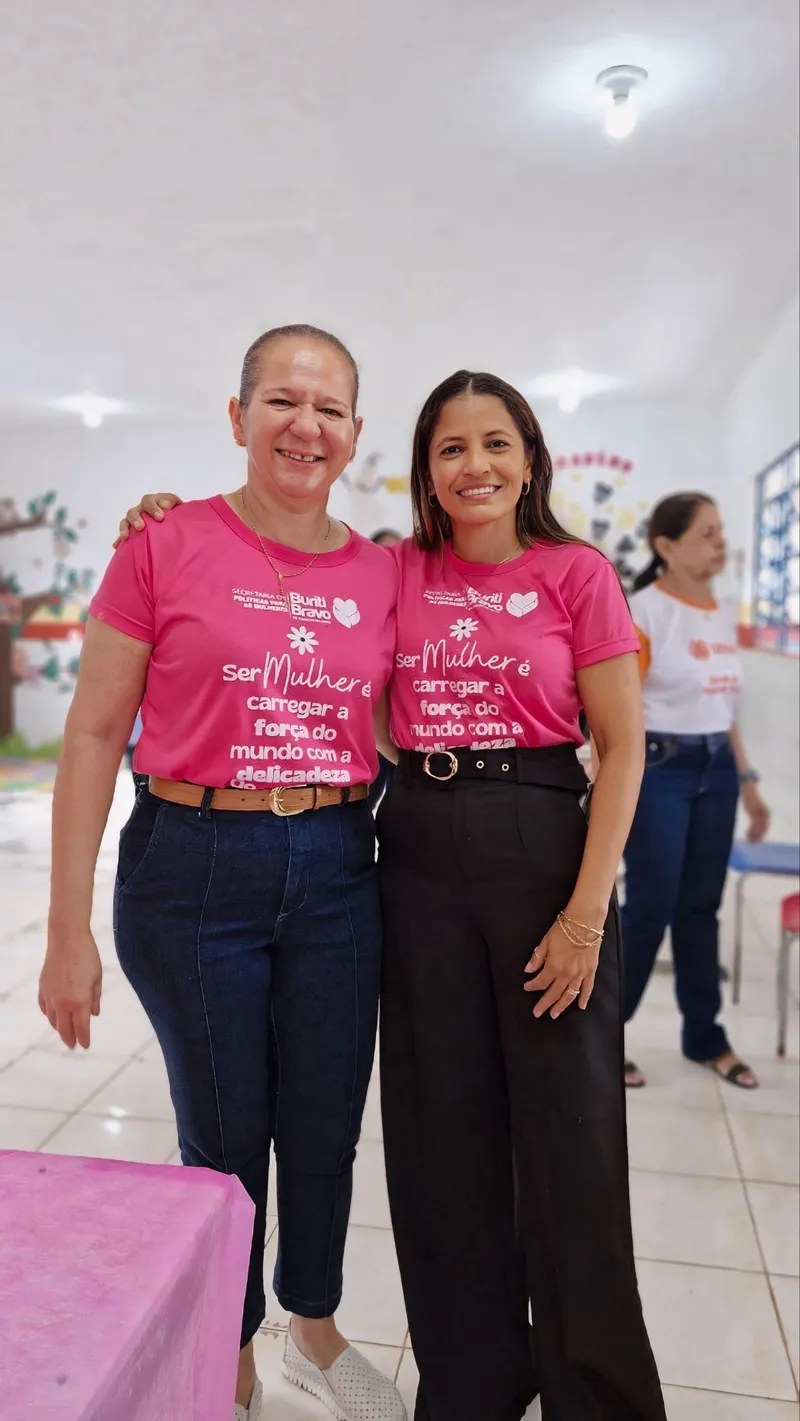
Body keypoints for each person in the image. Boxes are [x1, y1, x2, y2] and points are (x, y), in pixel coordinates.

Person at [125, 370, 667, 1420]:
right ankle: (469, 1381)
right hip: (413, 842)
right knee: (439, 1133)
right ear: (423, 467)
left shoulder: (575, 572)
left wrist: (586, 910)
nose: (475, 465)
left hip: (544, 839)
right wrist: (161, 517)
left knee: (571, 1137)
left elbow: (626, 749)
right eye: (450, 447)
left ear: (529, 456)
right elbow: (277, 568)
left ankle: (594, 1391)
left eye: (495, 443)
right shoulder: (389, 568)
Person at [39, 324, 407, 1421]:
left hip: (342, 861)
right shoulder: (160, 544)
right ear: (238, 415)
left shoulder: (383, 572)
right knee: (225, 1132)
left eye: (329, 408)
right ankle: (231, 1341)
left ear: (352, 435)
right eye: (283, 401)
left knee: (327, 1116)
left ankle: (315, 1323)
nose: (306, 424)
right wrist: (67, 929)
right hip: (193, 863)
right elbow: (94, 733)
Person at [622, 493, 770, 1092]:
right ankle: (602, 1034)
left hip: (717, 772)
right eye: (707, 533)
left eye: (720, 530)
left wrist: (750, 783)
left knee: (700, 907)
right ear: (667, 547)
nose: (721, 542)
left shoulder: (719, 608)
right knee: (650, 907)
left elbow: (724, 707)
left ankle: (703, 1036)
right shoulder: (644, 612)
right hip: (661, 767)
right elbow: (619, 710)